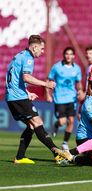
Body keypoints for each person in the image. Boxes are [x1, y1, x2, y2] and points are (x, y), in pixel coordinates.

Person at [5, 35, 59, 164]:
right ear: (34, 47)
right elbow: (26, 77)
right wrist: (46, 84)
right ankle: (57, 153)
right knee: (37, 122)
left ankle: (20, 157)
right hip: (18, 97)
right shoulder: (28, 57)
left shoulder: (19, 55)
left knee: (31, 126)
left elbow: (15, 79)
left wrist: (27, 92)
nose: (42, 51)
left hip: (14, 96)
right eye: (41, 48)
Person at [45, 47, 83, 150]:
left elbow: (78, 83)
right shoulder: (57, 67)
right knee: (62, 122)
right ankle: (56, 125)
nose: (69, 56)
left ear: (74, 56)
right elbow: (48, 80)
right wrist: (48, 94)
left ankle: (65, 143)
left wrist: (80, 91)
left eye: (71, 54)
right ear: (64, 55)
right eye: (67, 54)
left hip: (72, 98)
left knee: (71, 120)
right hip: (59, 98)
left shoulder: (77, 69)